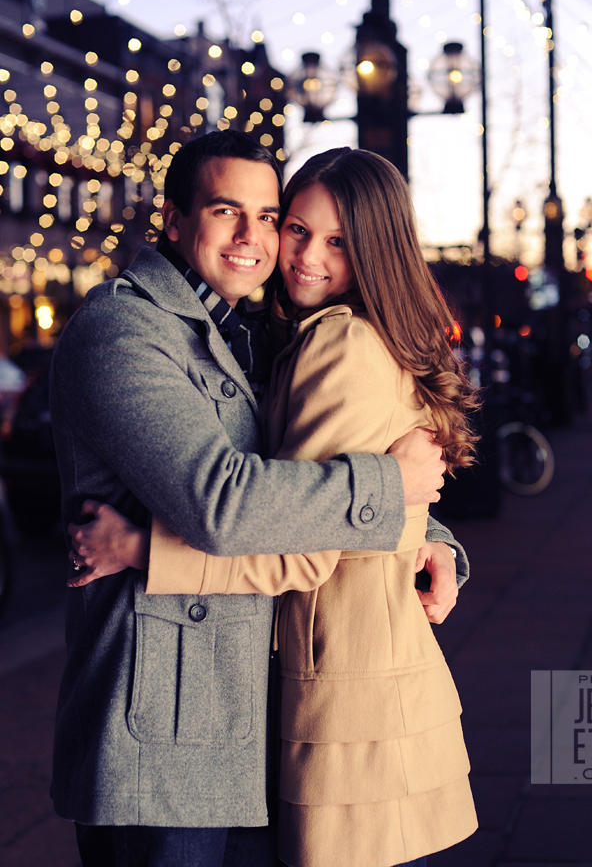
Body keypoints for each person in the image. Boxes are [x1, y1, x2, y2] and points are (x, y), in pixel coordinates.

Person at [52, 130, 468, 867]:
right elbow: (227, 502)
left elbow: (305, 484)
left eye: (270, 217)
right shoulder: (123, 330)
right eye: (225, 211)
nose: (266, 242)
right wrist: (387, 489)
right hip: (161, 739)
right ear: (174, 219)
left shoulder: (262, 332)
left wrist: (424, 529)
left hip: (252, 723)